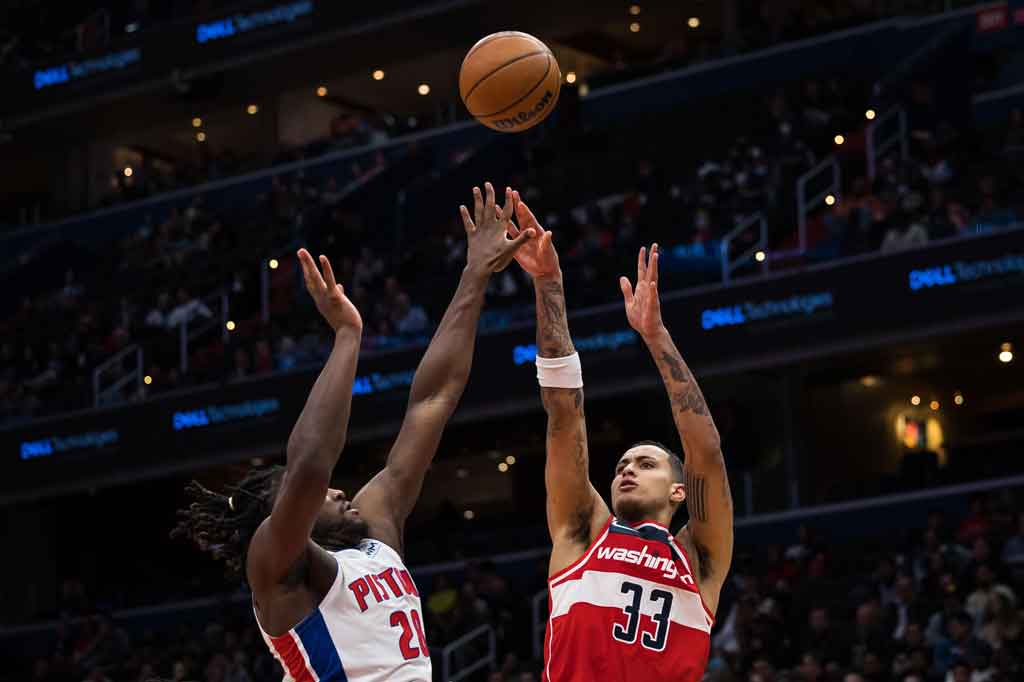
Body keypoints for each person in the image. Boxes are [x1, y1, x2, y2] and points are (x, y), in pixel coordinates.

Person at [173, 183, 533, 681]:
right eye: (315, 496)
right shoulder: (276, 568)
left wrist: (475, 275)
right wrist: (348, 337)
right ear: (281, 513)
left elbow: (432, 400)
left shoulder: (376, 532)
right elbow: (311, 466)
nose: (337, 490)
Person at [506, 194, 733, 681]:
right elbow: (564, 416)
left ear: (679, 491)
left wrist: (656, 337)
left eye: (646, 464)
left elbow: (705, 453)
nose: (627, 469)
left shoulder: (698, 556)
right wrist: (548, 284)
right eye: (622, 465)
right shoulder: (584, 529)